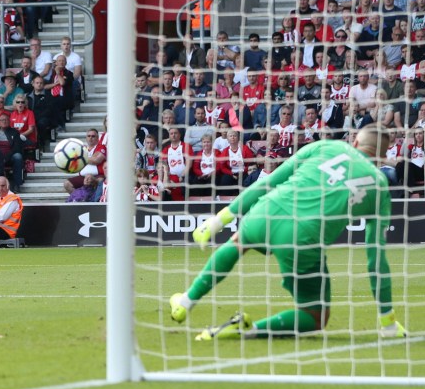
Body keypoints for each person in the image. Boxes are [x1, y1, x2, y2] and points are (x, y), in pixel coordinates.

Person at [169, 126, 407, 340]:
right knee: (315, 316)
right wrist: (387, 321)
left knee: (238, 242)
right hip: (303, 239)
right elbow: (376, 260)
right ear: (381, 157)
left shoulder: (328, 145)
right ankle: (247, 330)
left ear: (355, 142)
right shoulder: (379, 184)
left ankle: (186, 301)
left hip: (268, 210)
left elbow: (269, 181)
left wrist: (220, 219)